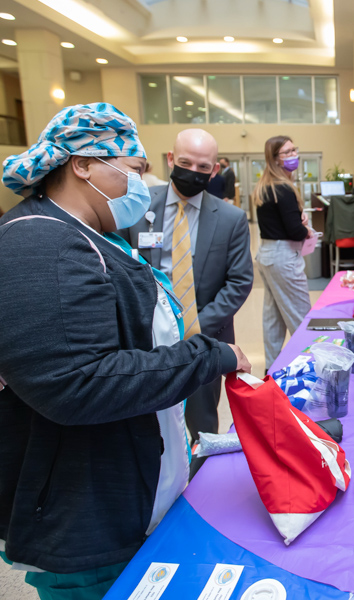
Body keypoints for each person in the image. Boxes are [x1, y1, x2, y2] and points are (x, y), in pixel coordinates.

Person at [0, 103, 251, 600]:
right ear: (84, 164)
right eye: (135, 170)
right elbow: (80, 382)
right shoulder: (42, 245)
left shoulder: (91, 232)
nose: (143, 182)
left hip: (129, 477)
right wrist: (208, 356)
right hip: (85, 509)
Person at [120, 129, 253, 467]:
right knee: (146, 420)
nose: (193, 171)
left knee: (202, 425)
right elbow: (118, 264)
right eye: (185, 163)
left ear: (215, 170)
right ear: (170, 160)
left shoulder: (231, 219)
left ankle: (199, 487)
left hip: (204, 338)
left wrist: (193, 328)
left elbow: (238, 282)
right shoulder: (136, 206)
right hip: (144, 337)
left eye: (203, 166)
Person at [255, 135, 313, 369]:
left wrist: (297, 223)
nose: (292, 156)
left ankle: (272, 367)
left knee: (274, 317)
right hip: (283, 257)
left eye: (293, 150)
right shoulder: (283, 189)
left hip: (267, 254)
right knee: (300, 316)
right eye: (286, 153)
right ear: (275, 159)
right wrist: (306, 229)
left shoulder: (265, 187)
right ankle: (309, 365)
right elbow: (295, 231)